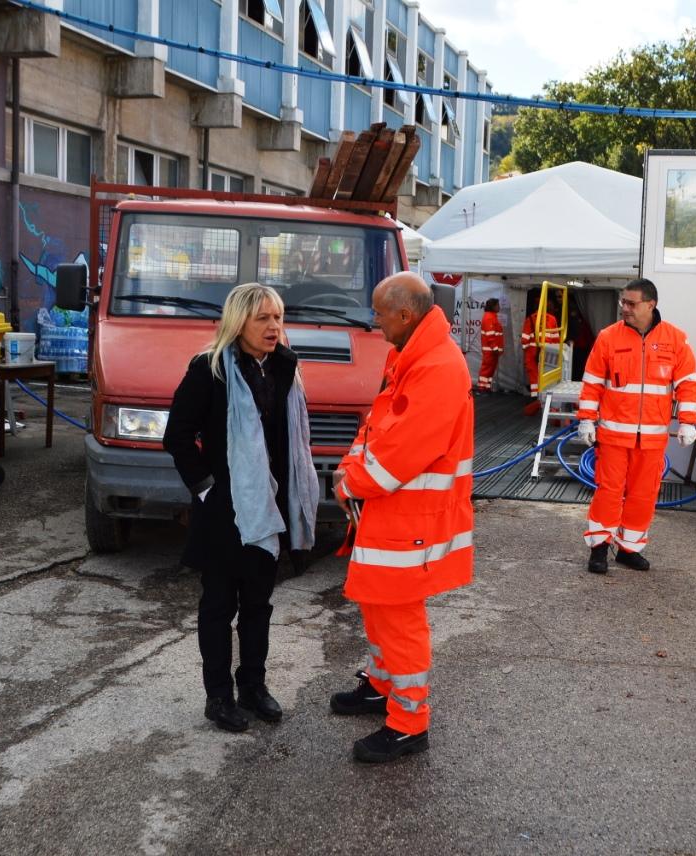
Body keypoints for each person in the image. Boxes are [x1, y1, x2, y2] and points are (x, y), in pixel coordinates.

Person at [329, 271, 474, 763]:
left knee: (398, 616)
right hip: (391, 513)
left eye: (379, 312)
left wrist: (350, 481)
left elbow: (401, 450)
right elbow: (377, 427)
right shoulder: (411, 356)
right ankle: (381, 687)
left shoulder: (436, 366)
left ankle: (409, 723)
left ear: (405, 315)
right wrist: (349, 469)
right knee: (378, 606)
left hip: (409, 518)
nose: (374, 321)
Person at [163, 283, 319, 732]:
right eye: (263, 319)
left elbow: (291, 437)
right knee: (217, 606)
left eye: (278, 318)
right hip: (224, 509)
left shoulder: (286, 367)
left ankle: (253, 685)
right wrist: (207, 488)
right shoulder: (209, 369)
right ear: (239, 322)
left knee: (258, 604)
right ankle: (218, 697)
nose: (274, 327)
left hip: (270, 505)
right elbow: (177, 436)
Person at [576, 278, 696, 574]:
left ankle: (629, 549)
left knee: (644, 495)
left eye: (631, 303)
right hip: (614, 436)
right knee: (608, 492)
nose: (625, 309)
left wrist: (687, 422)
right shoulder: (608, 338)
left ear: (650, 305)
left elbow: (687, 385)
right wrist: (586, 420)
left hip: (653, 440)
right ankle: (599, 548)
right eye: (623, 302)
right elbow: (592, 384)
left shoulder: (676, 340)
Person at [520, 295, 560, 414]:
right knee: (547, 376)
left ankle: (535, 400)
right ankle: (545, 400)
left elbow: (524, 340)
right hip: (548, 354)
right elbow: (556, 340)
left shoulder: (531, 319)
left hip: (532, 353)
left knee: (534, 377)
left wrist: (527, 349)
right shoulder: (552, 319)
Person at [477, 297, 504, 393]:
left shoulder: (492, 316)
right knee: (487, 369)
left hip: (492, 350)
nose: (499, 307)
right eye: (497, 305)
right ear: (493, 306)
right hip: (491, 350)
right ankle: (481, 388)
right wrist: (495, 348)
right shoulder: (489, 317)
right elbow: (490, 335)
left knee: (490, 369)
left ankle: (486, 387)